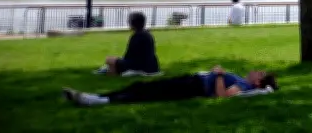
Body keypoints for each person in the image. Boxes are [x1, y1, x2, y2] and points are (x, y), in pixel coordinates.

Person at [64, 66, 277, 106]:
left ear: (258, 81)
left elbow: (222, 96)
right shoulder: (241, 79)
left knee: (148, 92)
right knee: (141, 86)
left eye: (260, 73)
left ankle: (97, 100)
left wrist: (219, 75)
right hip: (192, 80)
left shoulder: (245, 86)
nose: (256, 71)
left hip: (193, 87)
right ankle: (99, 97)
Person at [95, 12, 160, 76]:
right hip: (152, 65)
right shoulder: (148, 34)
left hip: (140, 66)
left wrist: (119, 61)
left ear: (132, 23)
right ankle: (108, 70)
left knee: (109, 60)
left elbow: (129, 55)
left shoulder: (136, 36)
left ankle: (111, 75)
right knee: (115, 60)